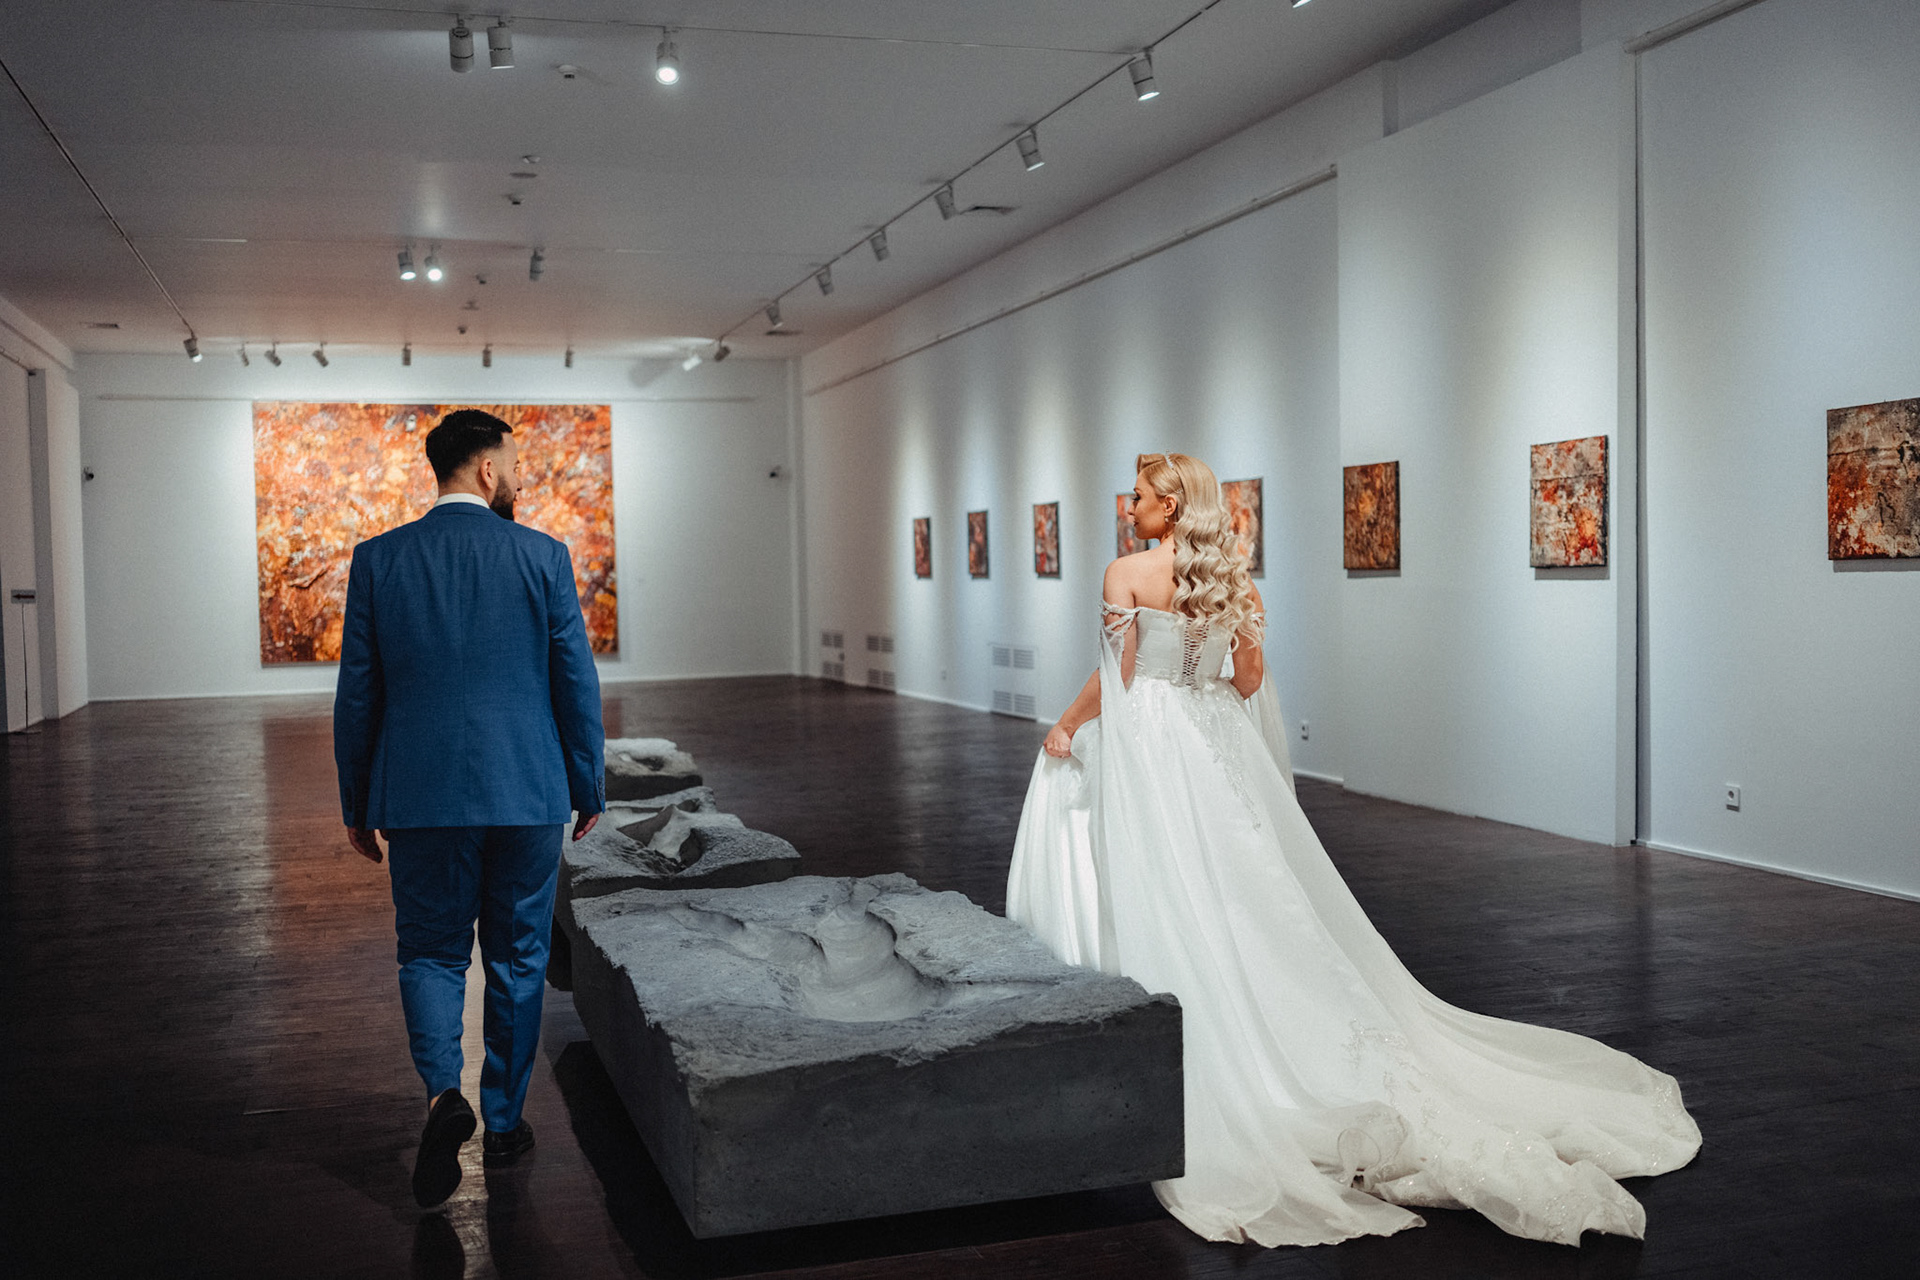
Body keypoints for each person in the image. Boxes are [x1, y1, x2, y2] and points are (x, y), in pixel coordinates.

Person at [1006, 452, 1700, 1248]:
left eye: (1138, 496)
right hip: (1214, 743)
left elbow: (1119, 677)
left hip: (1158, 748)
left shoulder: (1125, 573)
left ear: (1169, 505)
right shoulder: (1231, 579)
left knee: (1176, 883)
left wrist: (1066, 725)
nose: (1128, 507)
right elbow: (1246, 681)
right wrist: (1200, 687)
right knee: (1251, 888)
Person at [333, 409, 606, 1208]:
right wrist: (587, 782)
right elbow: (574, 681)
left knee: (429, 951)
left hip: (419, 795)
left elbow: (358, 695)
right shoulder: (542, 555)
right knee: (518, 957)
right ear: (488, 470)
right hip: (526, 788)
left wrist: (357, 800)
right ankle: (506, 1123)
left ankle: (441, 1097)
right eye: (512, 464)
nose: (517, 477)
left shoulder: (379, 559)